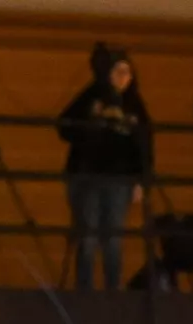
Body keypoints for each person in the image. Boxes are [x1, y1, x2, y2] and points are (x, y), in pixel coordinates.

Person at [57, 45, 151, 290]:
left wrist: (142, 180)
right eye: (118, 71)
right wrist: (93, 120)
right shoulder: (90, 97)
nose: (123, 78)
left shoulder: (134, 105)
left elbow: (145, 143)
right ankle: (84, 291)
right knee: (88, 236)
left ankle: (112, 292)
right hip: (87, 174)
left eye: (127, 72)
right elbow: (64, 126)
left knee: (113, 239)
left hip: (119, 179)